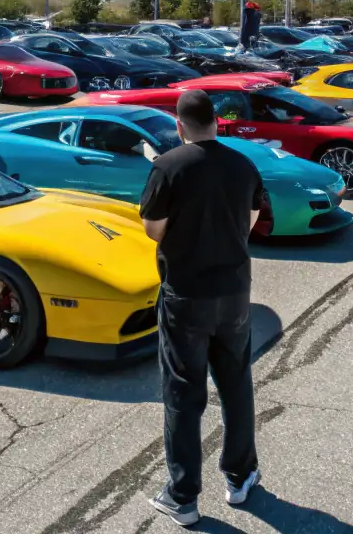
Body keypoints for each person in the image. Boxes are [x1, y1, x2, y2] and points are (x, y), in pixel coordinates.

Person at [140, 89, 263, 527]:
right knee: (236, 384)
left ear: (179, 126)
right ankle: (240, 475)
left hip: (185, 295)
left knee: (182, 394)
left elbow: (154, 230)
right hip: (233, 293)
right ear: (216, 121)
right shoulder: (244, 164)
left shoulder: (168, 167)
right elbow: (249, 222)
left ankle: (183, 496)